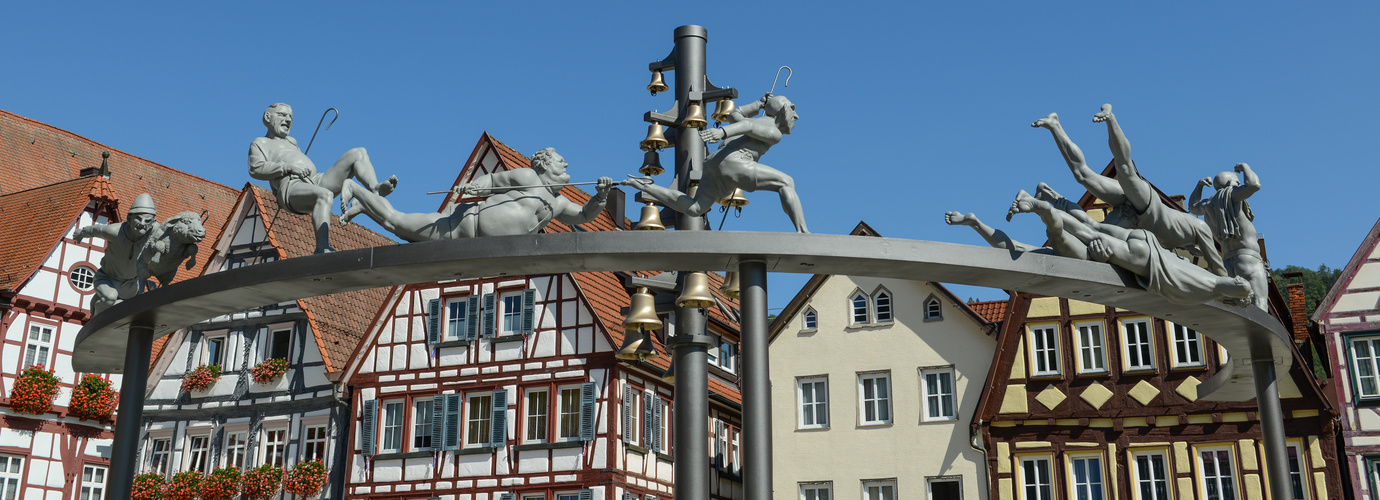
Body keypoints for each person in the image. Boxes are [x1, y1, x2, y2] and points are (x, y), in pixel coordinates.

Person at [1031, 105, 1227, 276]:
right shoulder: (1200, 229)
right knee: (1124, 170)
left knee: (1084, 189)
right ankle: (1110, 118)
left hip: (1132, 218)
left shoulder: (1170, 246)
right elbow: (1218, 268)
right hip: (1149, 207)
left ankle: (1054, 126)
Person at [1006, 190, 1253, 307]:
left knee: (1092, 226)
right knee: (1090, 235)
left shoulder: (1209, 279)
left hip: (1146, 241)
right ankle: (1039, 206)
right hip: (1145, 260)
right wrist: (1241, 293)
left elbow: (1229, 280)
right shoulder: (1209, 289)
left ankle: (1044, 201)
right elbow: (1234, 285)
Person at [340, 148, 614, 241]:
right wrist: (474, 187)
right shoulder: (529, 177)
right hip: (458, 227)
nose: (566, 165)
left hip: (476, 246)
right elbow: (494, 179)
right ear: (544, 164)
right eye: (560, 160)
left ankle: (365, 206)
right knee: (396, 224)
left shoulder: (559, 202)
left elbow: (584, 215)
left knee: (397, 225)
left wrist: (600, 197)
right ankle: (357, 191)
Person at [625, 94, 808, 233]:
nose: (796, 117)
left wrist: (757, 105)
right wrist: (722, 133)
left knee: (696, 208)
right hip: (735, 162)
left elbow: (734, 115)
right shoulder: (774, 133)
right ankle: (802, 231)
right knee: (787, 182)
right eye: (793, 111)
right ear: (784, 110)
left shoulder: (753, 121)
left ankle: (645, 186)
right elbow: (748, 127)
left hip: (714, 163)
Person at [248, 103, 398, 254]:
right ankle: (322, 247)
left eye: (290, 117)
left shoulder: (292, 142)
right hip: (291, 186)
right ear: (268, 117)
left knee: (358, 153)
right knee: (324, 194)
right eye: (282, 115)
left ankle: (375, 189)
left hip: (315, 180)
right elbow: (255, 168)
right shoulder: (260, 143)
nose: (288, 119)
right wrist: (287, 167)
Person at [1189, 163, 1267, 308]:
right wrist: (1245, 168)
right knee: (1260, 304)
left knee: (1235, 309)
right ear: (1232, 183)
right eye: (1237, 182)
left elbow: (1192, 207)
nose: (1239, 185)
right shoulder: (1232, 195)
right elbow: (1254, 185)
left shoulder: (1208, 204)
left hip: (1226, 263)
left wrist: (1199, 186)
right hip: (1248, 259)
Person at [73, 193, 159, 315]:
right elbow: (96, 229)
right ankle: (95, 320)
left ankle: (99, 304)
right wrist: (81, 233)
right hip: (107, 279)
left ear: (153, 222)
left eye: (147, 220)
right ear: (129, 218)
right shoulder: (114, 231)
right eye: (138, 218)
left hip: (131, 285)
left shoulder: (155, 231)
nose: (143, 223)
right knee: (110, 298)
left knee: (126, 312)